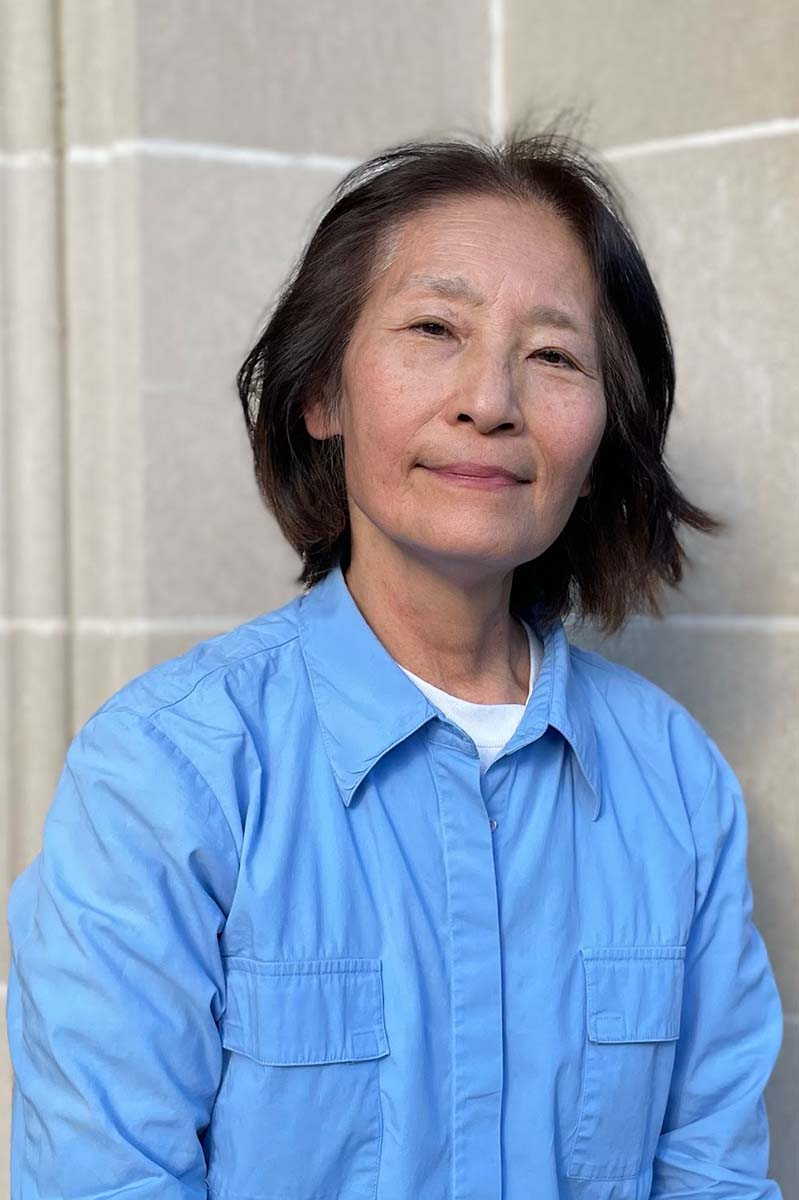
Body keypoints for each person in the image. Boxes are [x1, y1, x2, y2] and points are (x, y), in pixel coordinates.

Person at [5, 122, 785, 1200]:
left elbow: (712, 1171)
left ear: (606, 437)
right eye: (433, 327)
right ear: (319, 396)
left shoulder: (677, 784)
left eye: (554, 354)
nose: (490, 400)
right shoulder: (163, 775)